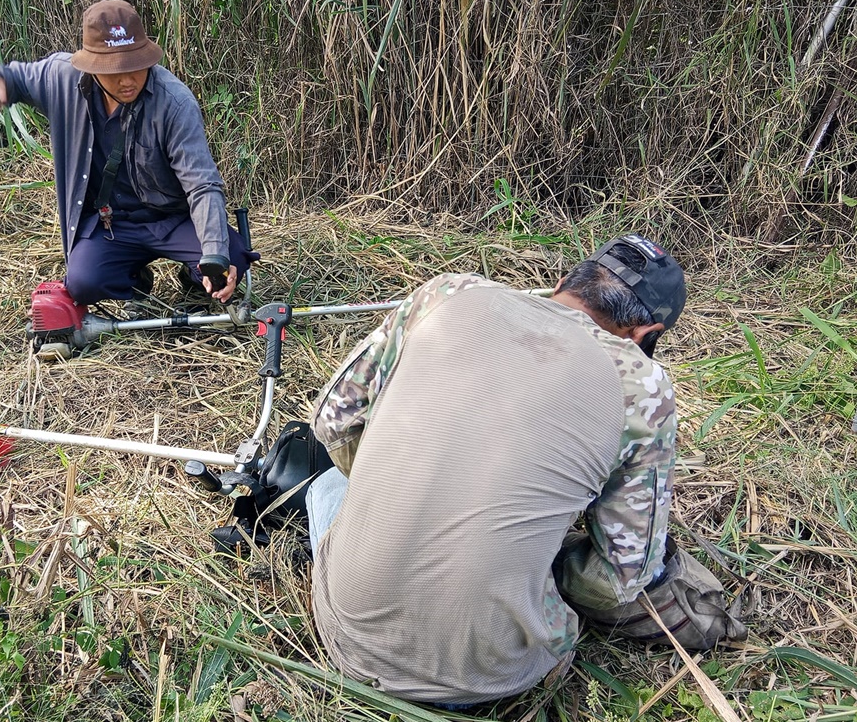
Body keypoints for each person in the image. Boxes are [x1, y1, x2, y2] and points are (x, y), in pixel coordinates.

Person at [304, 234, 747, 707]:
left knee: (329, 485)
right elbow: (622, 575)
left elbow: (331, 423)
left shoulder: (446, 293)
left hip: (343, 631)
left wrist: (404, 479)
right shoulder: (643, 384)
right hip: (483, 675)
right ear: (645, 336)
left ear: (561, 284)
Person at [0, 0, 255, 307]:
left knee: (230, 257)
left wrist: (213, 255)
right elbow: (14, 79)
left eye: (135, 66)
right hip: (111, 225)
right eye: (115, 71)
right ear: (92, 66)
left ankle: (193, 275)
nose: (128, 79)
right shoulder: (63, 79)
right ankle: (134, 279)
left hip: (173, 219)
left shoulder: (175, 102)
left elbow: (202, 185)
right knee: (84, 283)